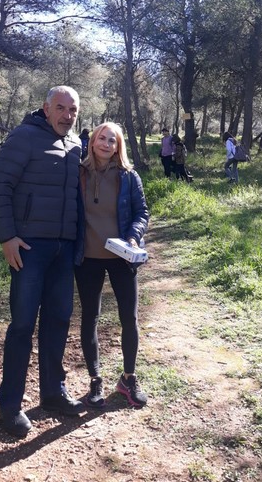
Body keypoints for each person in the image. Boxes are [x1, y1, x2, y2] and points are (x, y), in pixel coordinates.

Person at [0, 86, 83, 438]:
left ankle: (53, 393)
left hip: (63, 249)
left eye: (73, 110)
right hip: (29, 247)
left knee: (58, 320)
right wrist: (7, 237)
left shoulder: (75, 144)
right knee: (23, 325)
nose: (67, 115)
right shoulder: (24, 137)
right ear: (46, 108)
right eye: (60, 108)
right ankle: (10, 406)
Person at [74, 122, 150, 409]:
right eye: (102, 139)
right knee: (90, 317)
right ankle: (95, 379)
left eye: (112, 141)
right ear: (92, 141)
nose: (106, 144)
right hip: (87, 258)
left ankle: (128, 378)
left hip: (122, 258)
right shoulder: (77, 174)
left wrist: (132, 238)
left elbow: (142, 213)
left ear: (119, 146)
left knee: (129, 318)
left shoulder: (129, 176)